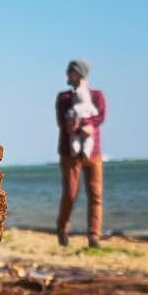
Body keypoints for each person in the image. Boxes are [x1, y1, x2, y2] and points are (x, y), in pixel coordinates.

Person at [55, 58, 106, 247]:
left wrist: (89, 126)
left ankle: (94, 236)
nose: (68, 74)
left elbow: (100, 116)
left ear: (81, 73)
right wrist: (77, 128)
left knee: (96, 194)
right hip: (69, 153)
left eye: (72, 71)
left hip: (94, 152)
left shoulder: (97, 95)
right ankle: (62, 230)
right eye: (68, 71)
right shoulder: (63, 98)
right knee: (70, 193)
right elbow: (62, 122)